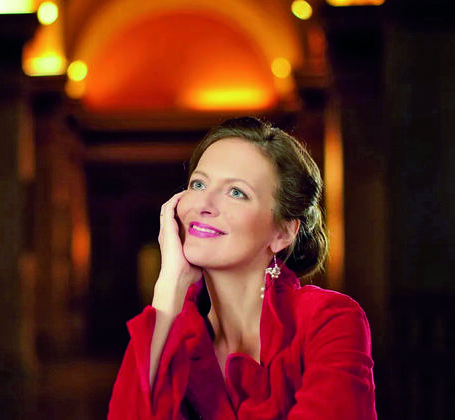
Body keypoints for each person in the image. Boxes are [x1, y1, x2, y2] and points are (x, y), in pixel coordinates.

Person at [108, 116, 377, 419]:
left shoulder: (329, 320)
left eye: (236, 192)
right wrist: (169, 286)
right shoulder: (175, 334)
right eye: (198, 184)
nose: (204, 204)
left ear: (283, 232)